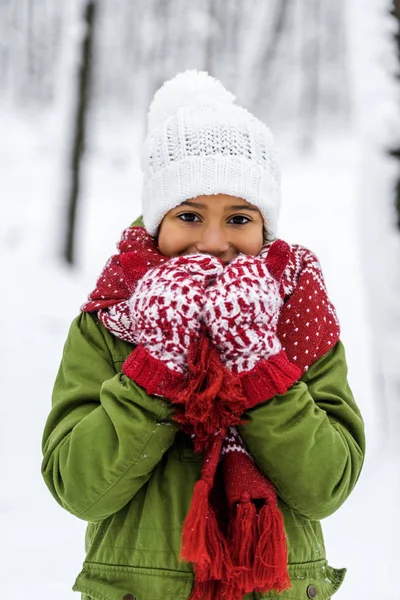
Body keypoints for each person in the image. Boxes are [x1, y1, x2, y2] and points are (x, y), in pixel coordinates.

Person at [41, 70, 365, 600]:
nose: (214, 242)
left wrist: (259, 360)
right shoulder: (111, 320)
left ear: (265, 228)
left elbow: (325, 486)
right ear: (156, 223)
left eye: (239, 218)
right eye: (189, 215)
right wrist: (157, 365)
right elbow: (80, 488)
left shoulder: (299, 318)